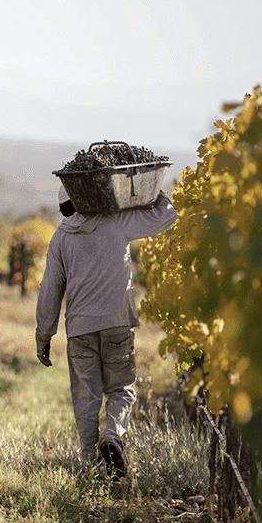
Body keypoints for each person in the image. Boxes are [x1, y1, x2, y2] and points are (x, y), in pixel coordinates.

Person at [36, 185, 178, 479]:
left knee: (86, 395)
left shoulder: (61, 237)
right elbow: (167, 216)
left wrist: (44, 335)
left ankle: (90, 463)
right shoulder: (118, 221)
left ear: (65, 207)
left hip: (80, 330)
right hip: (117, 325)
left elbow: (49, 290)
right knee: (121, 389)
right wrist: (155, 190)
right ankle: (113, 434)